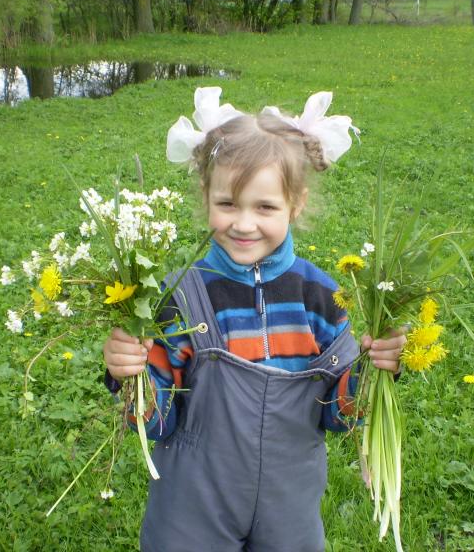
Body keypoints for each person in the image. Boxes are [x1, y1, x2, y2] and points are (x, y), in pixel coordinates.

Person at [103, 87, 406, 552]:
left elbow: (336, 416)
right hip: (192, 507)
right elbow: (154, 422)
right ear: (206, 197)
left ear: (296, 204)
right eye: (228, 204)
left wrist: (371, 372)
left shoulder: (323, 298)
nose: (244, 224)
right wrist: (129, 374)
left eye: (265, 207)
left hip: (290, 506)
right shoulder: (181, 296)